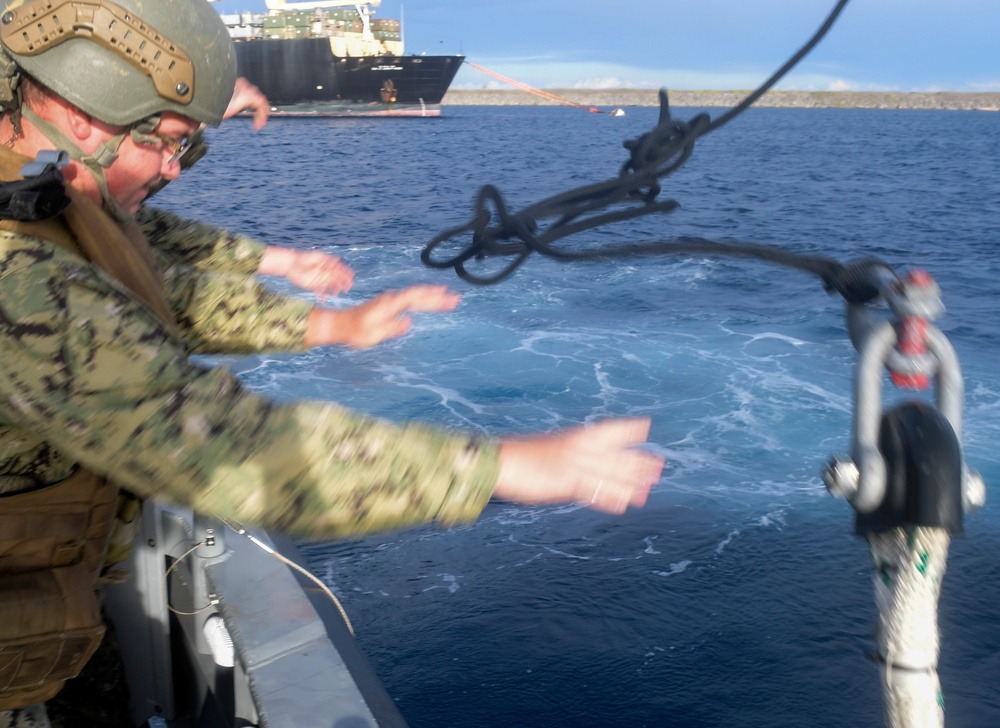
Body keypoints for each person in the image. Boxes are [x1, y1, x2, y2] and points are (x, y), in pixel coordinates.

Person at [0, 0, 664, 720]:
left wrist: (328, 323)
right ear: (81, 113)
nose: (172, 170)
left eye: (186, 151)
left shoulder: (40, 194)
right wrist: (503, 466)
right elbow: (221, 445)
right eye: (165, 142)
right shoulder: (18, 276)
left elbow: (150, 275)